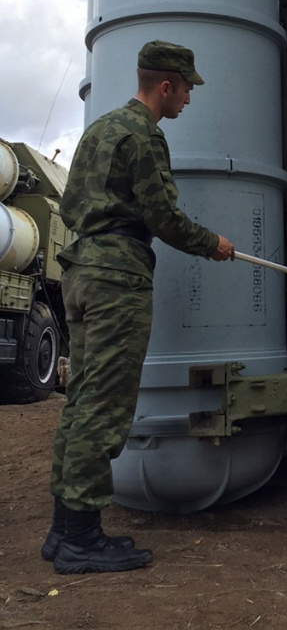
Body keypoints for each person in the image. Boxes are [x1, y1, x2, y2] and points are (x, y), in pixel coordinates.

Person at [43, 40, 236, 575]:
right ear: (165, 85)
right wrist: (211, 244)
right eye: (187, 89)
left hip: (79, 272)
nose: (190, 99)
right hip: (115, 279)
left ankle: (64, 531)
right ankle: (82, 538)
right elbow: (163, 219)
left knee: (81, 400)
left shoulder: (100, 129)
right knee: (103, 407)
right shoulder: (144, 136)